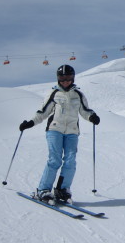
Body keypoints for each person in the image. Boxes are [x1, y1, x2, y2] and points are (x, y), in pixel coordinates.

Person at [19, 64, 100, 204]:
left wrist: (92, 116)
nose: (65, 82)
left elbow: (85, 111)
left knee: (70, 161)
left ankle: (62, 189)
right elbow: (43, 112)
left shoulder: (78, 95)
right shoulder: (54, 94)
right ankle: (43, 190)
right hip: (54, 130)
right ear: (58, 79)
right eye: (62, 79)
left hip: (72, 132)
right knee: (54, 160)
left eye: (68, 78)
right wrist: (30, 123)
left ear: (73, 78)